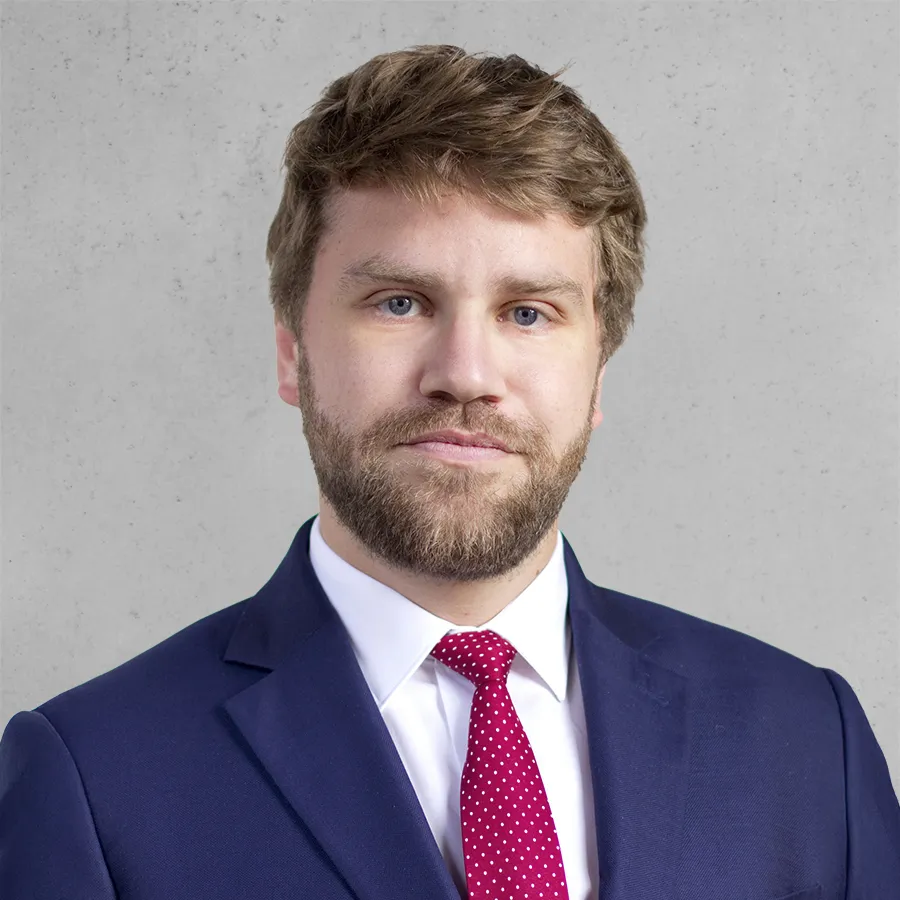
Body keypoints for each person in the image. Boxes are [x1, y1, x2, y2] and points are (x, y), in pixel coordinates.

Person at [1, 43, 898, 900]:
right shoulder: (93, 777)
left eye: (529, 313)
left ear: (598, 375)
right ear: (291, 355)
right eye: (399, 302)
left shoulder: (807, 737)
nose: (466, 372)